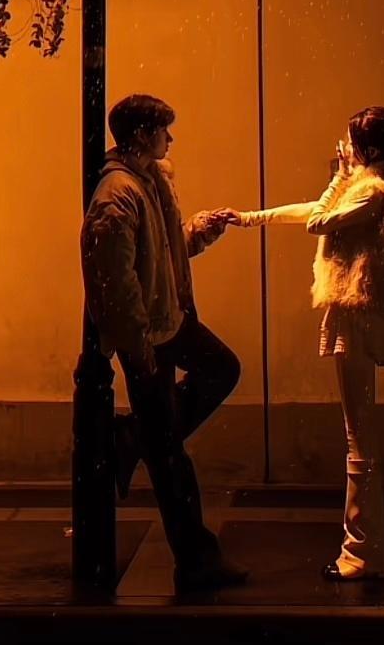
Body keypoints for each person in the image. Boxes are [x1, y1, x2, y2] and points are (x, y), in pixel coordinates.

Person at [232, 106, 384, 581]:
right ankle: (362, 549)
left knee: (359, 440)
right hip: (354, 318)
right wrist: (250, 218)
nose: (344, 147)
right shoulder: (368, 188)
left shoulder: (373, 193)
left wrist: (338, 176)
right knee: (359, 436)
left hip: (357, 321)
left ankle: (362, 553)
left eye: (351, 142)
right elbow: (315, 212)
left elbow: (319, 221)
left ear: (367, 150)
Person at [81, 93, 247, 593]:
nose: (170, 139)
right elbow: (115, 283)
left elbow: (160, 254)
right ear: (141, 135)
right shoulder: (117, 195)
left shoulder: (148, 182)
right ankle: (196, 562)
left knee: (216, 377)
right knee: (170, 455)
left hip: (167, 321)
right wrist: (138, 348)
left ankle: (136, 437)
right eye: (162, 131)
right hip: (151, 334)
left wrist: (198, 232)